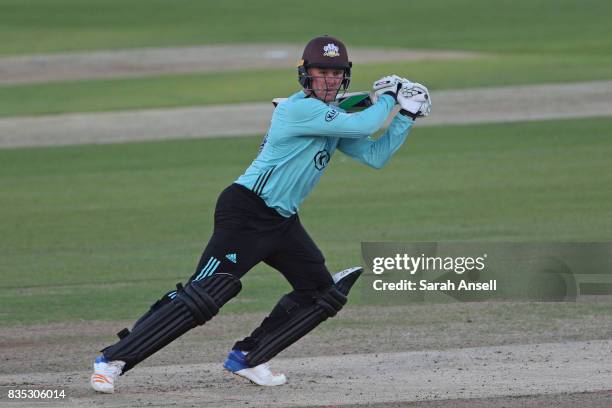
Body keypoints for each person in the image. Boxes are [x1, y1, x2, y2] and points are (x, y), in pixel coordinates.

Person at [90, 35, 431, 393]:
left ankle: (249, 357)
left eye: (336, 73)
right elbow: (363, 125)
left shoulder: (332, 121)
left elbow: (375, 155)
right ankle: (113, 359)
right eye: (322, 72)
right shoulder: (297, 110)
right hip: (246, 211)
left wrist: (404, 115)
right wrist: (391, 96)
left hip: (282, 222)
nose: (330, 79)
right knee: (207, 294)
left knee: (320, 293)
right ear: (305, 75)